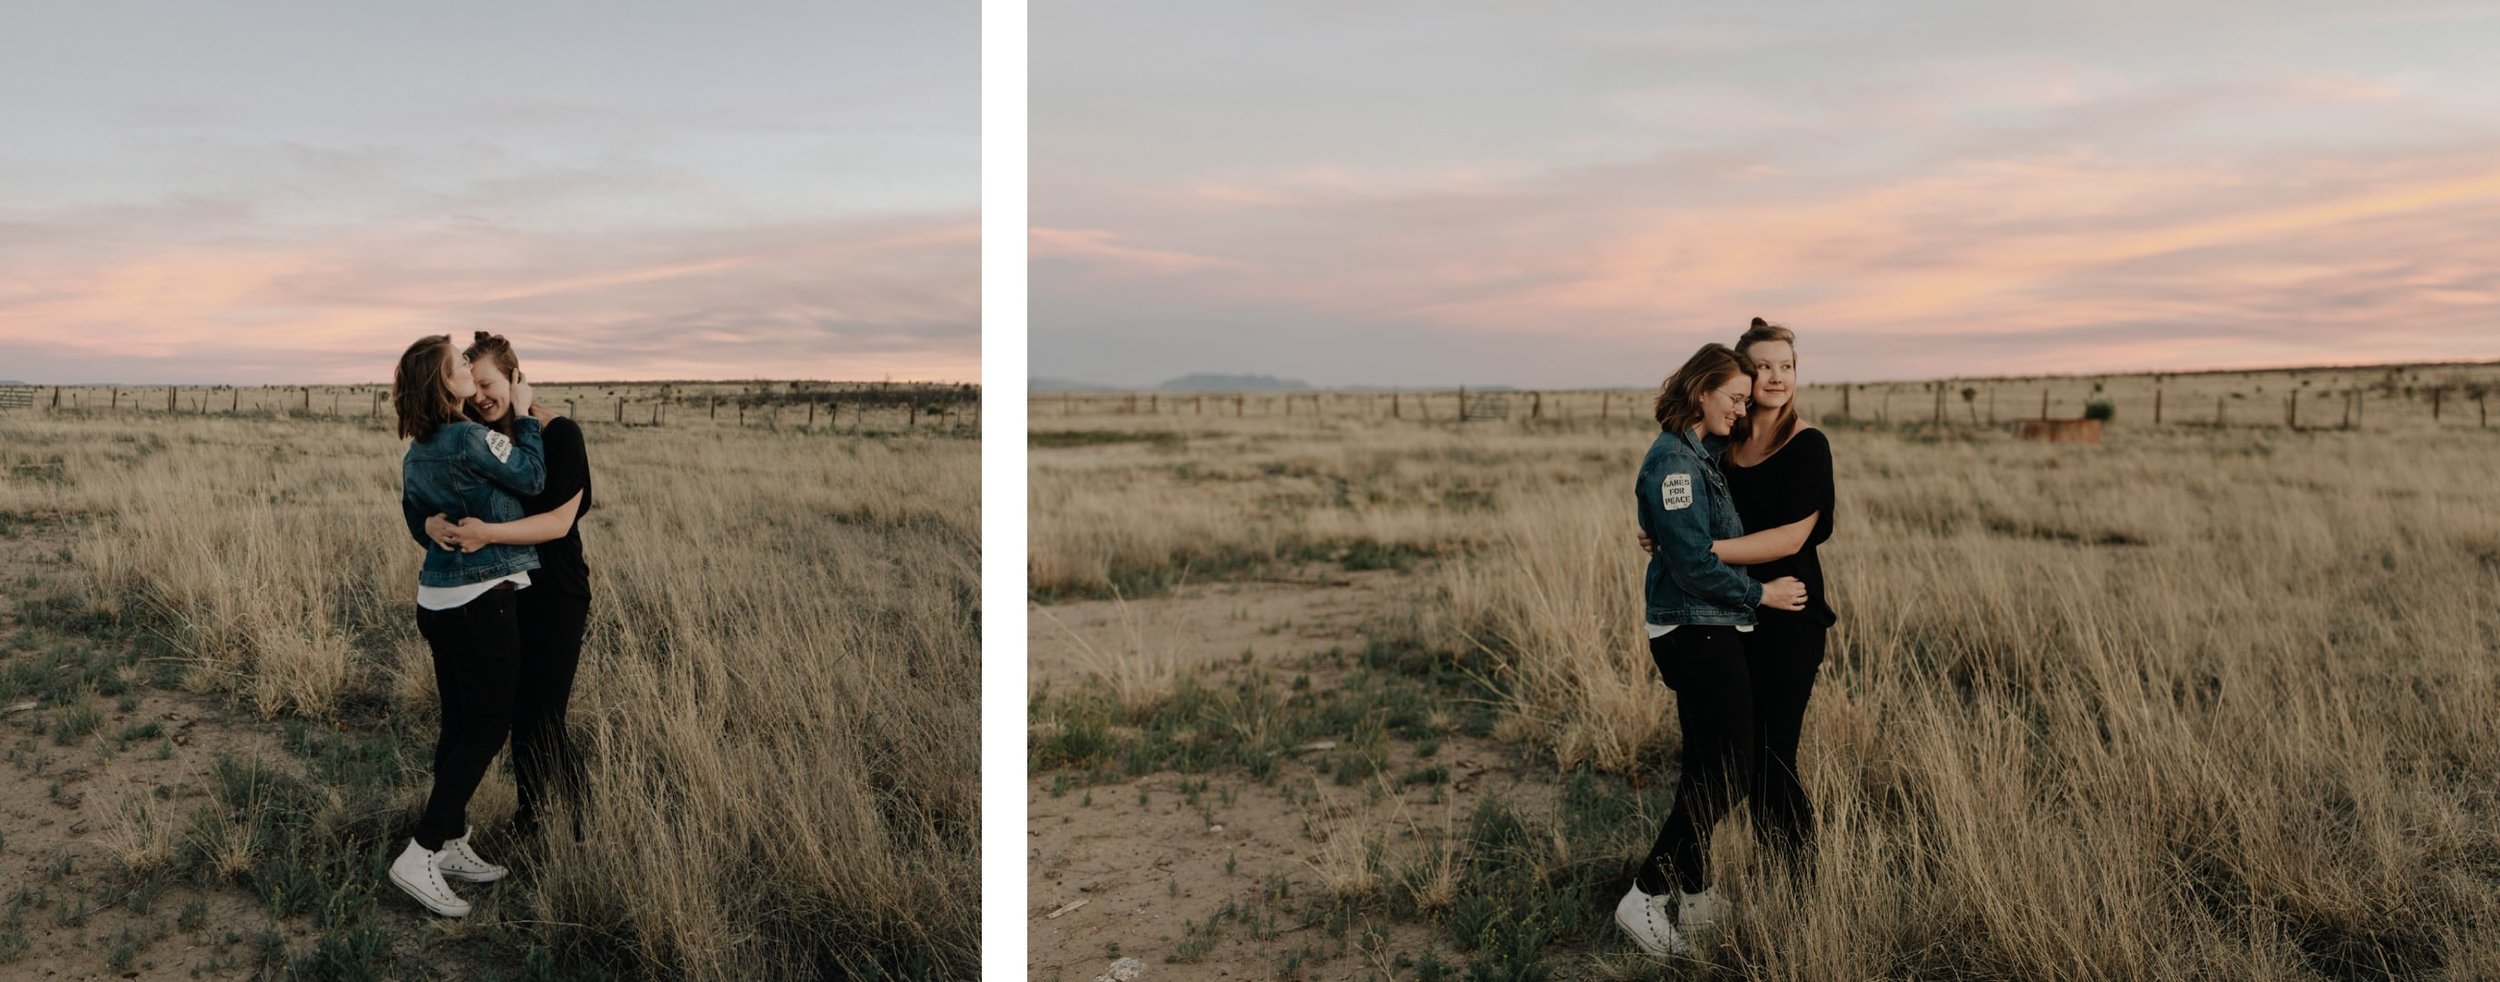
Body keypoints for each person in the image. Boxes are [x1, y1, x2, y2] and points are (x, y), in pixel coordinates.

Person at [1616, 342, 1809, 959]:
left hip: (1708, 626)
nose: (1740, 410)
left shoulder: (1699, 456)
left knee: (1707, 764)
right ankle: (1644, 897)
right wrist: (1762, 594)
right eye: (1733, 398)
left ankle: (1694, 894)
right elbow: (1696, 564)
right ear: (1702, 392)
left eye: (1745, 401)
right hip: (1694, 629)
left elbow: (1691, 539)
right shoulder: (1675, 462)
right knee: (1730, 767)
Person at [389, 334, 545, 918]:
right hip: (482, 599)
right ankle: (422, 852)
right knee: (485, 729)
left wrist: (430, 524)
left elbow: (416, 521)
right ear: (444, 385)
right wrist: (525, 415)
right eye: (460, 366)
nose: (468, 371)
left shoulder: (417, 451)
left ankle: (451, 842)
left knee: (457, 726)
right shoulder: (470, 438)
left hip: (437, 601)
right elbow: (530, 477)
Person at [426, 332, 593, 843]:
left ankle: (581, 820)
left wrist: (488, 534)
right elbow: (445, 494)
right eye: (471, 385)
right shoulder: (477, 440)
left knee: (543, 715)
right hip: (498, 593)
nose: (479, 396)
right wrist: (431, 522)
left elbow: (558, 522)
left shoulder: (559, 434)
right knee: (514, 713)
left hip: (556, 594)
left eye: (489, 383)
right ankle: (532, 817)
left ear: (515, 378)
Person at [1719, 318, 1836, 869]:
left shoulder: (1808, 445)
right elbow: (1692, 512)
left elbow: (1792, 536)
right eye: (1763, 366)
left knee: (1772, 757)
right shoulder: (1725, 443)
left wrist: (1701, 550)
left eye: (1786, 366)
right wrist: (1667, 535)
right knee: (1735, 759)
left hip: (1789, 615)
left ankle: (1800, 890)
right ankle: (1760, 876)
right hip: (1731, 612)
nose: (1776, 377)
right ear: (1742, 373)